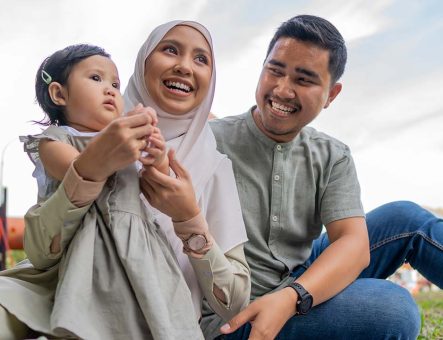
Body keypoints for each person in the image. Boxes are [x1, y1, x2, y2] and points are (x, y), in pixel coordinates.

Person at [201, 15, 442, 339]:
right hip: (236, 312)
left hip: (296, 276)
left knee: (406, 217)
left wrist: (291, 297)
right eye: (275, 70)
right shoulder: (208, 141)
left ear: (331, 94)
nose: (282, 89)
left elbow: (354, 245)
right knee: (393, 309)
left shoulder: (331, 154)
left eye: (303, 80)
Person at [0, 43, 204, 339]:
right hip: (83, 250)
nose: (110, 90)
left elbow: (154, 180)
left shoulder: (127, 140)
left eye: (115, 84)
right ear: (59, 94)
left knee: (154, 314)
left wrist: (155, 152)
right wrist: (112, 148)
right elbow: (76, 169)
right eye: (96, 79)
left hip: (138, 248)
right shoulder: (56, 139)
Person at [125, 20, 250, 321]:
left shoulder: (214, 166)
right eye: (170, 50)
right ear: (144, 61)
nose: (184, 67)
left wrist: (189, 219)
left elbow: (234, 302)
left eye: (200, 59)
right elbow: (44, 250)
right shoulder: (95, 135)